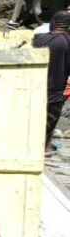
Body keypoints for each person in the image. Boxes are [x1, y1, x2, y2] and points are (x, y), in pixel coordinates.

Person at [42, 11, 70, 150]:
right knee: (48, 127)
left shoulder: (39, 39)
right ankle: (45, 149)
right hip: (55, 94)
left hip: (35, 90)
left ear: (53, 23)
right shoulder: (67, 42)